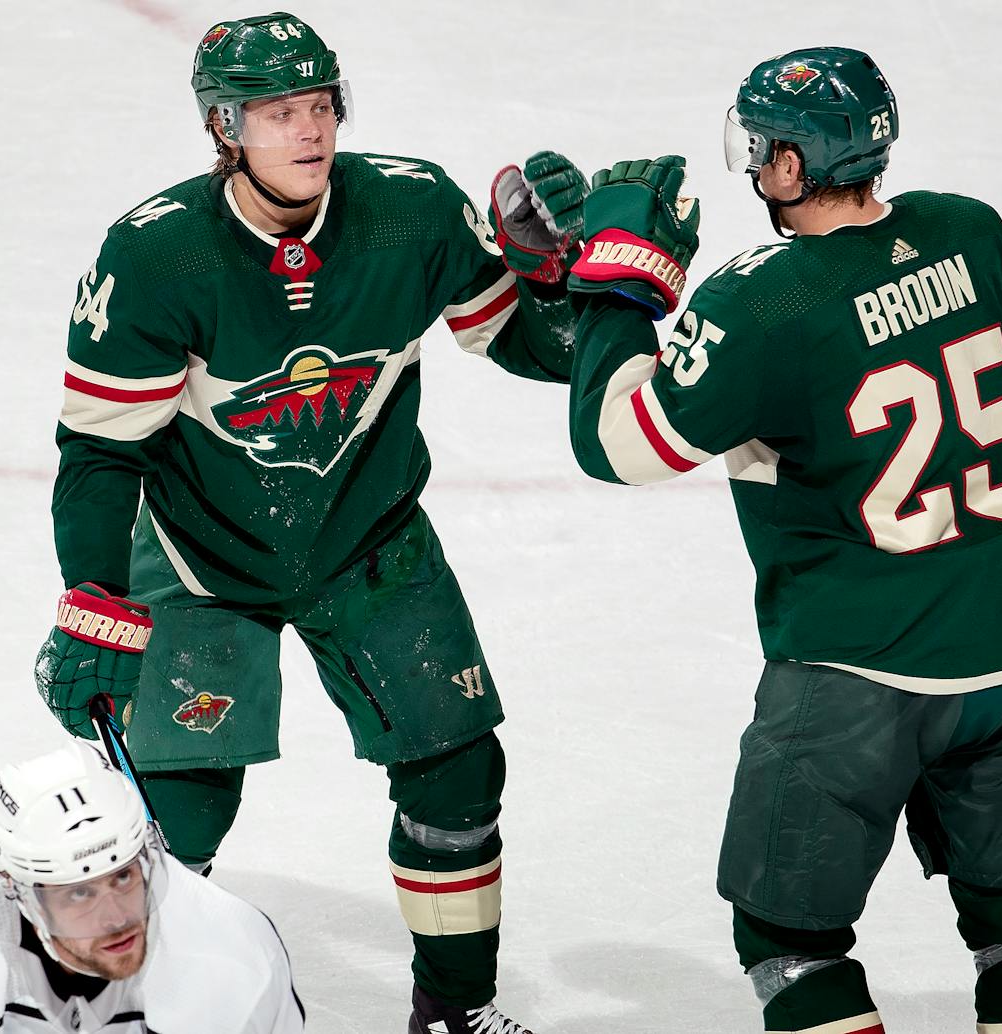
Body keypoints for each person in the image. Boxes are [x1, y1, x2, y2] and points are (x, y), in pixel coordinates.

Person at [564, 48, 1002, 1034]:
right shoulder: (966, 231)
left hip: (852, 678)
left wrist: (616, 294)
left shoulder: (762, 297)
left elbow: (618, 446)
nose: (751, 168)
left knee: (788, 945)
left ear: (791, 166)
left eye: (758, 149)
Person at [33, 13, 587, 1033]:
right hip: (202, 558)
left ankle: (454, 1011)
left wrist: (581, 289)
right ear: (223, 127)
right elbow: (102, 453)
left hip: (371, 542)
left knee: (458, 772)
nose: (309, 130)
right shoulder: (160, 256)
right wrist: (94, 600)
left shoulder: (411, 212)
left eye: (321, 105)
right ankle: (120, 1012)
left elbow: (525, 341)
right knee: (178, 811)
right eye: (279, 112)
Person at [0, 742, 305, 1033]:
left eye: (123, 876)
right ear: (17, 890)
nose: (117, 917)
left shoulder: (234, 961)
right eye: (79, 893)